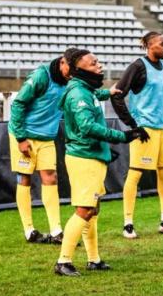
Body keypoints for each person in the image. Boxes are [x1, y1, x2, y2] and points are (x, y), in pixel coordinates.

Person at [54, 49, 146, 277]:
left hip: (92, 156)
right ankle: (63, 261)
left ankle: (93, 259)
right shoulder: (78, 94)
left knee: (93, 209)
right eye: (94, 64)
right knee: (84, 209)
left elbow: (96, 96)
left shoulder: (86, 89)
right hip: (84, 158)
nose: (100, 66)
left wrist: (110, 92)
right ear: (79, 69)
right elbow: (87, 126)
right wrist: (122, 136)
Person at [111, 31, 163, 239]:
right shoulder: (137, 66)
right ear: (150, 45)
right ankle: (127, 224)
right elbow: (117, 95)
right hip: (144, 130)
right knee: (135, 174)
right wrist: (133, 125)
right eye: (162, 44)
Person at [8, 49, 77, 244]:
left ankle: (56, 231)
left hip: (46, 137)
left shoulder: (71, 80)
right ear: (63, 62)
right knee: (24, 179)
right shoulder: (41, 75)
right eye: (70, 70)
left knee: (50, 178)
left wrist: (109, 92)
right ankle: (29, 230)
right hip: (24, 134)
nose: (72, 75)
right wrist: (20, 138)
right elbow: (19, 103)